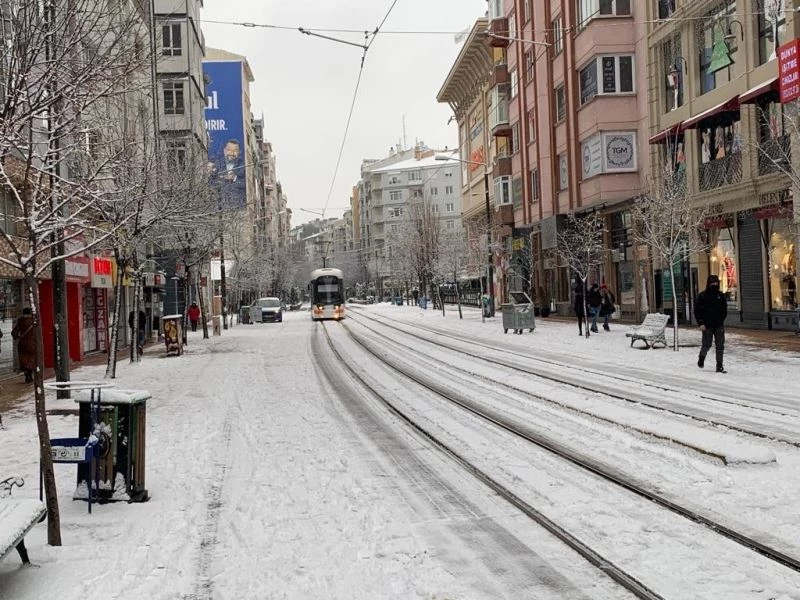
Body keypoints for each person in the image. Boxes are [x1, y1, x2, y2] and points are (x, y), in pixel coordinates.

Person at [695, 274, 728, 373]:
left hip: (718, 325)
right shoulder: (703, 296)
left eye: (716, 282)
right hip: (707, 325)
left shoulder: (721, 296)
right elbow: (697, 311)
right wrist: (701, 323)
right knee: (707, 344)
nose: (714, 284)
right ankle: (702, 357)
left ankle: (719, 366)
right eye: (712, 283)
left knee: (720, 346)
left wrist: (721, 320)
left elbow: (724, 310)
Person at [12, 308, 35, 383]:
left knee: (24, 360)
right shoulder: (34, 321)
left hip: (23, 344)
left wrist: (18, 337)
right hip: (32, 344)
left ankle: (27, 375)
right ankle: (30, 374)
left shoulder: (21, 321)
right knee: (31, 359)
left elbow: (14, 333)